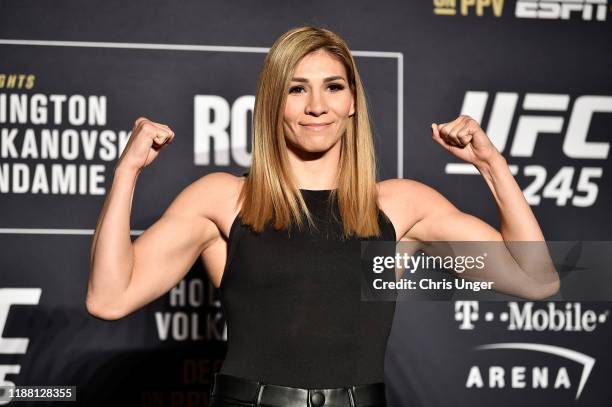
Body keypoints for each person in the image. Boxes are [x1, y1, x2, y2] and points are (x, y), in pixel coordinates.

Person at [86, 26, 560, 407]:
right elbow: (109, 299)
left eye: (333, 87)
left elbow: (536, 279)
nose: (317, 106)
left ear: (352, 101)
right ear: (274, 103)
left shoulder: (400, 205)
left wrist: (492, 166)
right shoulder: (224, 199)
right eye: (297, 89)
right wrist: (127, 171)